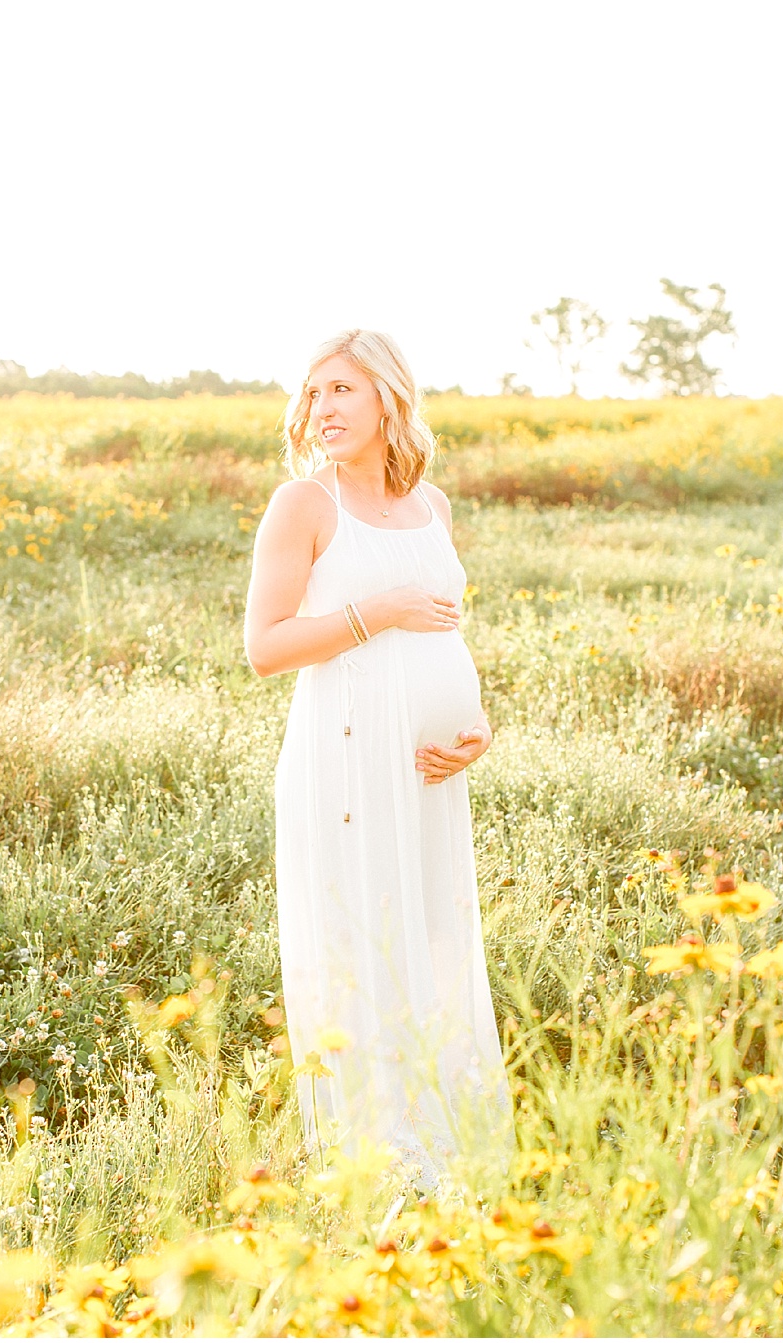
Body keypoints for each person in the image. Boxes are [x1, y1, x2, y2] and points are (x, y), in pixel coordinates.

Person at [244, 329, 512, 1192]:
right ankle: (378, 1164)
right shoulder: (303, 506)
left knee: (432, 942)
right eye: (314, 393)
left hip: (430, 774)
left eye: (342, 392)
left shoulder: (430, 504)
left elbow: (448, 635)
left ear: (389, 398)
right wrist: (380, 609)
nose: (322, 409)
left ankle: (448, 1141)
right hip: (345, 767)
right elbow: (265, 647)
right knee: (361, 947)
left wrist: (476, 732)